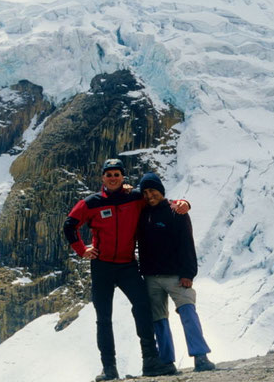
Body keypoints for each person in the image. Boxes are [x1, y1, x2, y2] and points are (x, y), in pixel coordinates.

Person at [63, 159, 188, 381]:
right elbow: (70, 225)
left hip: (127, 265)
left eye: (117, 174)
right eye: (109, 174)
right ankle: (109, 368)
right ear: (103, 177)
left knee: (143, 308)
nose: (113, 178)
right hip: (102, 266)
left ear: (123, 177)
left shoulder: (135, 197)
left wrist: (183, 202)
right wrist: (81, 249)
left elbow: (157, 199)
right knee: (104, 317)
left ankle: (150, 362)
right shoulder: (91, 203)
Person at [136, 172, 216, 372]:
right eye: (145, 192)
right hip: (151, 277)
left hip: (176, 276)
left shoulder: (176, 211)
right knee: (159, 319)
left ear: (160, 190)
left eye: (152, 190)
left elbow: (187, 243)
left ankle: (200, 356)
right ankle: (166, 362)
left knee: (187, 311)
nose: (149, 195)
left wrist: (188, 274)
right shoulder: (142, 213)